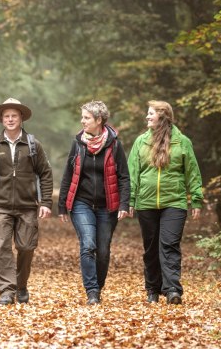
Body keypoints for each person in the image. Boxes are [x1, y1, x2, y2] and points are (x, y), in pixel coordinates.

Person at [0, 98, 53, 305]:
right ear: (2, 119)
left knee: (26, 247)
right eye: (6, 116)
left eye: (14, 116)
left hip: (27, 206)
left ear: (21, 119)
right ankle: (6, 291)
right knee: (2, 246)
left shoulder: (32, 144)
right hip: (0, 206)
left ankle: (21, 284)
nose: (10, 119)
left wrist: (46, 202)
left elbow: (45, 173)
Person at [128, 100, 203, 305]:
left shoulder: (182, 142)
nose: (147, 117)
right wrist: (130, 200)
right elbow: (133, 174)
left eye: (151, 113)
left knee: (169, 245)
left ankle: (172, 290)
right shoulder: (141, 142)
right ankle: (152, 289)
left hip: (175, 202)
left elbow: (192, 172)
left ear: (162, 115)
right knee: (151, 248)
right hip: (146, 203)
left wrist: (196, 199)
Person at [58, 100, 130, 305]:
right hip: (82, 203)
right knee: (88, 245)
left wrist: (124, 204)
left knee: (103, 249)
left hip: (108, 205)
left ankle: (98, 286)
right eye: (82, 117)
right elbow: (68, 174)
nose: (82, 121)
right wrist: (62, 204)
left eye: (86, 118)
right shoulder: (78, 143)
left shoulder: (114, 144)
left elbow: (124, 176)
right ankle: (92, 292)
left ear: (99, 120)